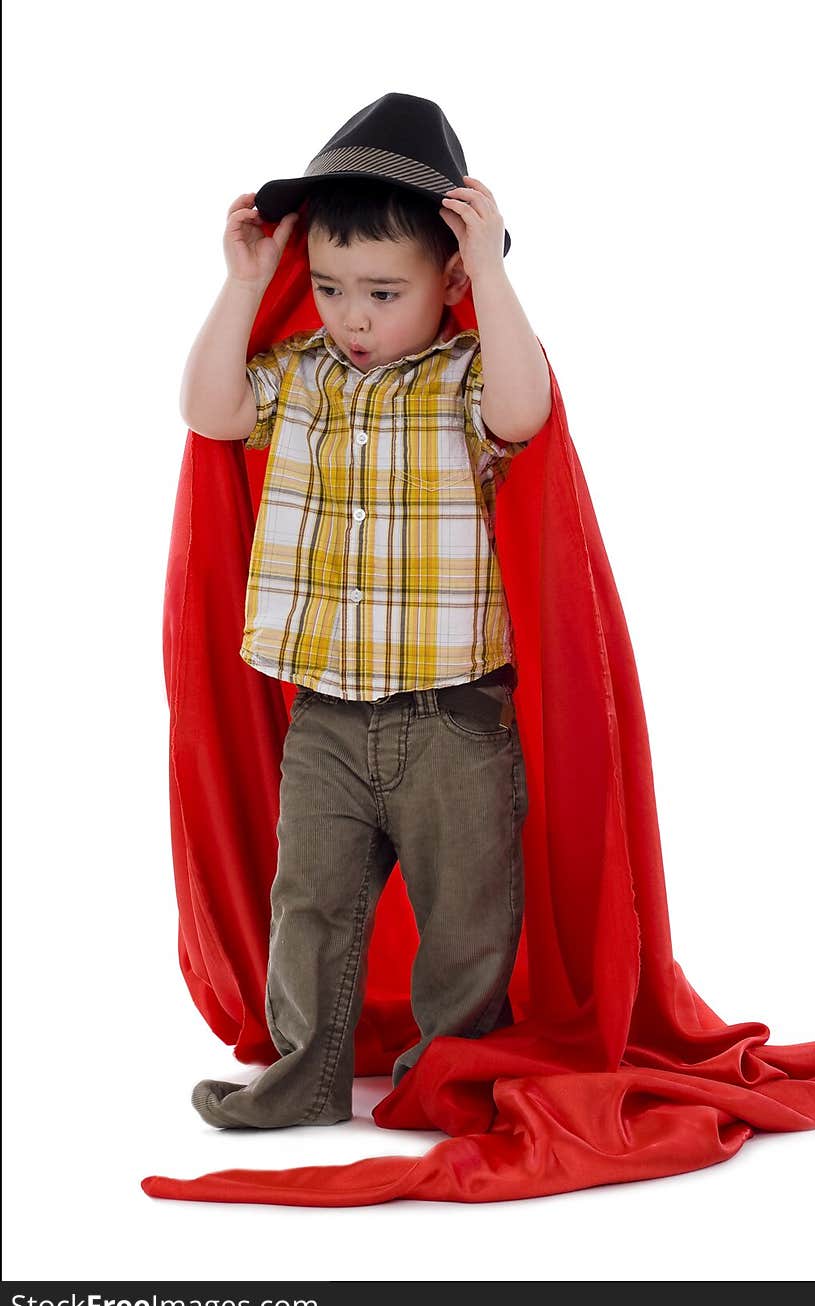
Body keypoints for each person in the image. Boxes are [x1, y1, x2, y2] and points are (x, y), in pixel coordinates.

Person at [179, 111, 551, 1130]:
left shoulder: (471, 373)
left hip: (454, 715)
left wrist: (497, 274)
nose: (354, 315)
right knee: (309, 905)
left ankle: (454, 1071)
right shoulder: (299, 374)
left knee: (467, 910)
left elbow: (526, 415)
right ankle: (306, 1071)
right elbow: (211, 411)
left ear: (450, 283)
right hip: (328, 717)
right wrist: (246, 283)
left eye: (384, 293)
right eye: (335, 288)